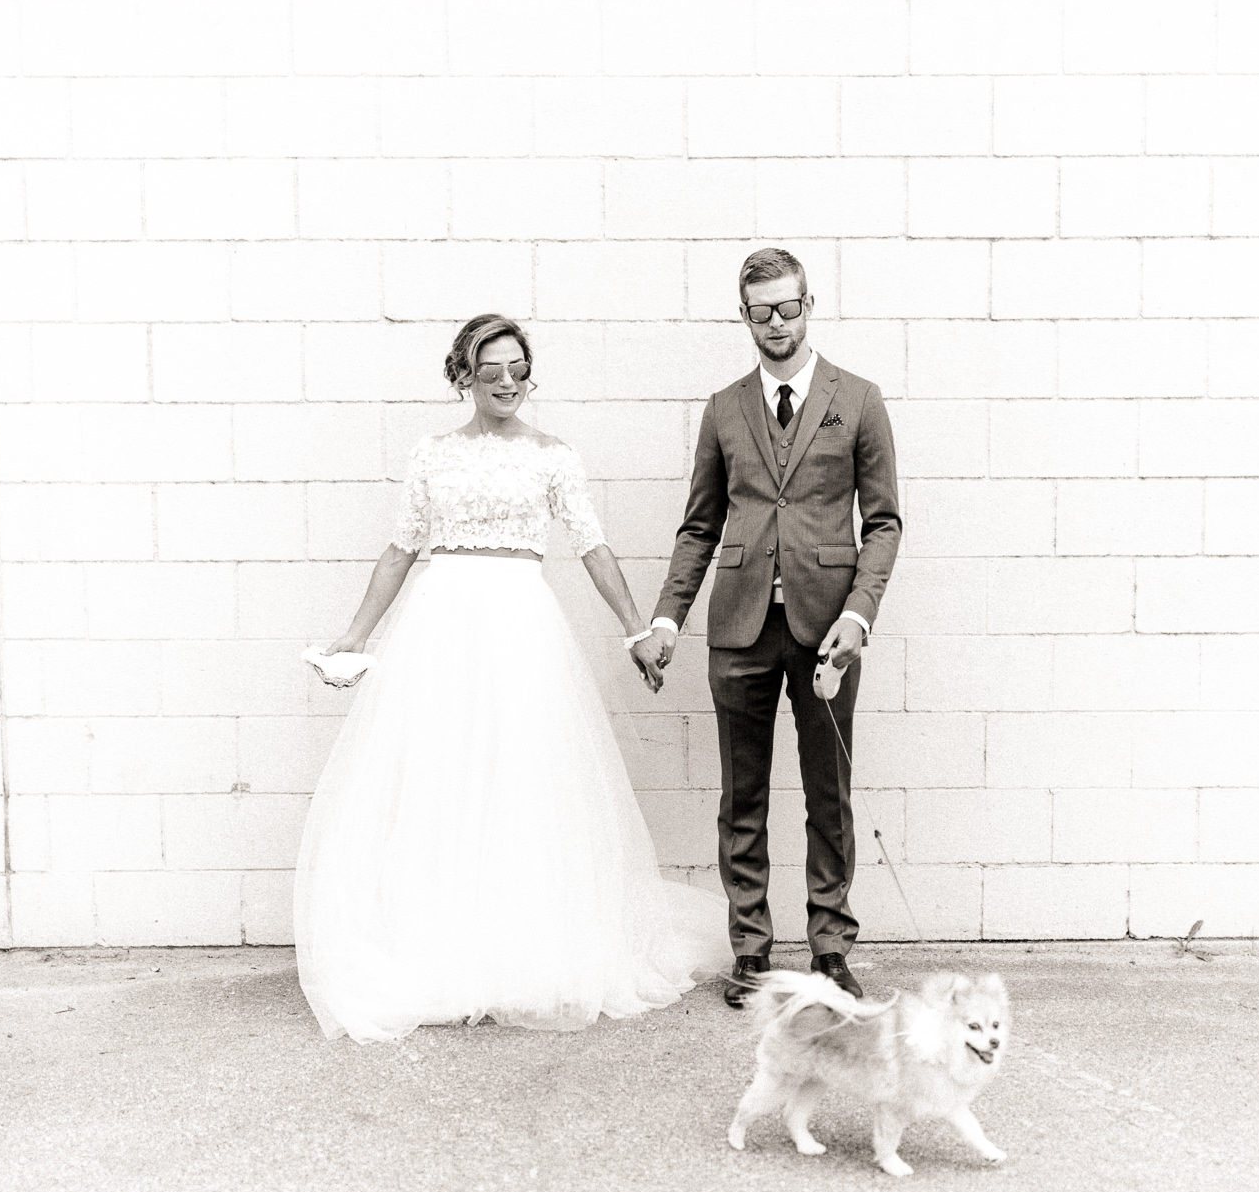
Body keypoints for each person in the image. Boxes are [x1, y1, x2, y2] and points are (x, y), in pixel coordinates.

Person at [295, 314, 726, 1043]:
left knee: (521, 779)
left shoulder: (552, 456)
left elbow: (591, 546)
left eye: (518, 368)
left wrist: (636, 628)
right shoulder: (432, 454)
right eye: (490, 368)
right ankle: (444, 949)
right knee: (445, 776)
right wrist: (354, 635)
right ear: (462, 374)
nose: (506, 381)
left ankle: (523, 949)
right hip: (443, 625)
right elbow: (401, 549)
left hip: (522, 626)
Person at [633, 248, 903, 1008]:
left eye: (789, 308)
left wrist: (859, 613)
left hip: (828, 632)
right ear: (743, 316)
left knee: (829, 794)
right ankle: (750, 950)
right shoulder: (723, 408)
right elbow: (699, 526)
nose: (777, 323)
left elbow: (881, 522)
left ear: (809, 305)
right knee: (740, 797)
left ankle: (829, 949)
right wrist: (665, 619)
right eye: (762, 312)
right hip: (739, 629)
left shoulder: (859, 398)